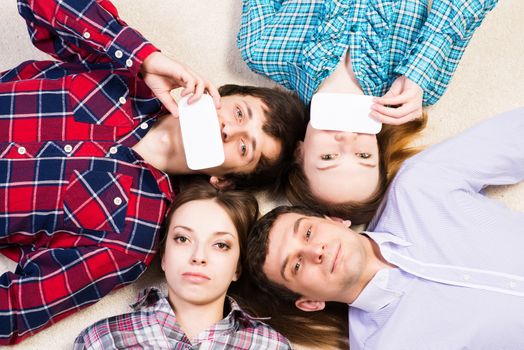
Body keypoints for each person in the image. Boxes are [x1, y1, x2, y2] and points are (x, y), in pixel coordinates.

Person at [0, 0, 307, 345]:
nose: (229, 131)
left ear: (224, 180)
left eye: (244, 148)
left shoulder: (132, 237)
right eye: (239, 113)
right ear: (217, 95)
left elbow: (13, 311)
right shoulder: (128, 73)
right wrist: (143, 57)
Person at [246, 107, 524, 349]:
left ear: (334, 220)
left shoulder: (417, 188)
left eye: (307, 232)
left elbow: (514, 136)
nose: (314, 251)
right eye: (295, 265)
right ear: (310, 303)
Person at [237, 0, 498, 223]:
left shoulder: (262, 50)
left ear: (299, 152)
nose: (348, 140)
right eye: (363, 155)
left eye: (328, 156)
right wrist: (422, 65)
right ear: (377, 150)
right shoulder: (422, 84)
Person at [73, 180, 291, 349]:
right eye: (183, 239)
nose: (198, 256)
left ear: (237, 267)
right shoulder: (101, 341)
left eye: (221, 245)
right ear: (164, 256)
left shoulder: (271, 346)